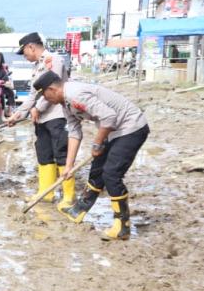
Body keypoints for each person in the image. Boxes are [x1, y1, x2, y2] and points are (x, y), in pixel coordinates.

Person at [33, 71, 150, 241]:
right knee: (97, 169)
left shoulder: (75, 94)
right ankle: (79, 209)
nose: (45, 100)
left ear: (52, 89)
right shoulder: (65, 103)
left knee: (111, 174)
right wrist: (68, 166)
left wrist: (97, 143)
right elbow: (74, 132)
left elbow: (109, 117)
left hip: (131, 128)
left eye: (45, 95)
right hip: (113, 131)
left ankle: (122, 226)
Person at [7, 32, 74, 208]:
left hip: (58, 115)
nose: (25, 56)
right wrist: (19, 114)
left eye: (24, 52)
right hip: (42, 118)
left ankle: (68, 196)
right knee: (44, 154)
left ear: (31, 46)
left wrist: (37, 108)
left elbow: (52, 89)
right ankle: (47, 193)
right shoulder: (36, 66)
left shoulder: (53, 60)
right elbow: (33, 95)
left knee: (61, 154)